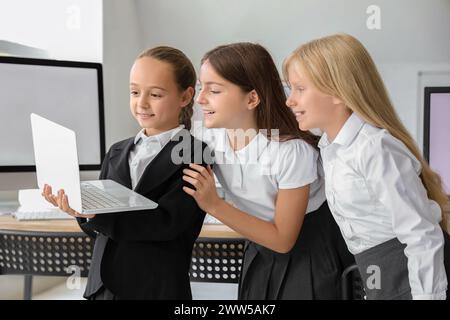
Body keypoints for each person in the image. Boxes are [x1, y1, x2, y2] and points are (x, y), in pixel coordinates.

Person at [283, 33, 450, 300]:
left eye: (300, 89)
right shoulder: (329, 146)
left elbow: (422, 235)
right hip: (379, 275)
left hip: (414, 278)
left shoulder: (374, 148)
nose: (290, 100)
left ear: (338, 91)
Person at [183, 42, 354, 299]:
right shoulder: (209, 142)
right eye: (200, 87)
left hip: (309, 254)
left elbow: (283, 240)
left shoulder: (291, 152)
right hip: (261, 248)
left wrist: (214, 205)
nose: (200, 98)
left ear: (251, 98)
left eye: (214, 90)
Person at [42, 46, 212, 299]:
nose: (141, 103)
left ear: (185, 97)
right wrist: (81, 212)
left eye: (155, 94)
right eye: (134, 92)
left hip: (154, 289)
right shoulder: (116, 151)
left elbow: (166, 224)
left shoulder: (194, 152)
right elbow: (101, 229)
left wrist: (96, 214)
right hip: (102, 287)